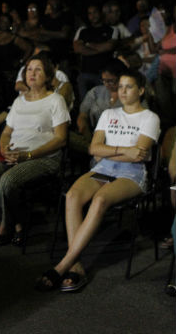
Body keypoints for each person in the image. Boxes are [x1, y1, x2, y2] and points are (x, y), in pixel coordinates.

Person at [36, 70, 160, 291]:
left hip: (131, 173)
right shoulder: (109, 114)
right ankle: (76, 267)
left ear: (141, 90)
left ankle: (63, 265)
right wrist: (123, 150)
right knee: (73, 195)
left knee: (100, 199)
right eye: (120, 86)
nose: (122, 91)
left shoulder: (149, 117)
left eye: (128, 86)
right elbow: (93, 149)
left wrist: (109, 151)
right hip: (104, 169)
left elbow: (139, 154)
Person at [0, 53, 69, 246]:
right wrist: (4, 148)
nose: (32, 73)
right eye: (29, 69)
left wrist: (28, 155)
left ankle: (7, 224)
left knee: (7, 182)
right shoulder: (19, 100)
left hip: (42, 157)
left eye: (38, 69)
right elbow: (6, 132)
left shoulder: (56, 100)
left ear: (48, 75)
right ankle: (18, 219)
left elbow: (61, 139)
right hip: (14, 154)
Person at [73, 5, 117, 99]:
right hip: (86, 72)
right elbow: (77, 49)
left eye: (95, 12)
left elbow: (109, 46)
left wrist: (88, 45)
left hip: (104, 74)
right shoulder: (83, 30)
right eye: (90, 13)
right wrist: (100, 49)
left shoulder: (112, 29)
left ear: (100, 13)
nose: (93, 15)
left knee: (104, 103)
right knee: (85, 103)